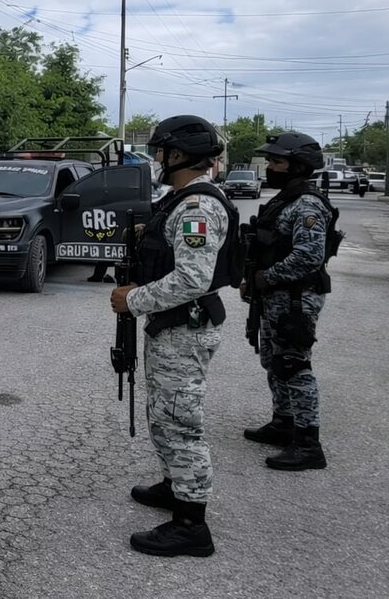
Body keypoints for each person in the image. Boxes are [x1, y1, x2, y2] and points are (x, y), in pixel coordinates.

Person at [109, 115, 236, 558]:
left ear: (179, 155)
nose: (157, 159)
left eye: (161, 151)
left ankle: (191, 525)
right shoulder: (180, 201)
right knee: (164, 414)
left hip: (185, 327)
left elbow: (192, 279)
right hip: (174, 326)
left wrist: (133, 299)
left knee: (181, 422)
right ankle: (174, 484)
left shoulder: (196, 207)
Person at [242, 132, 332, 471]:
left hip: (296, 297)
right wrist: (253, 279)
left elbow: (309, 255)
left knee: (294, 364)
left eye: (276, 161)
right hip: (276, 295)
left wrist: (268, 277)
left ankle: (308, 443)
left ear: (297, 166)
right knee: (273, 359)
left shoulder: (307, 204)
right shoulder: (286, 199)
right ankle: (284, 422)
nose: (269, 166)